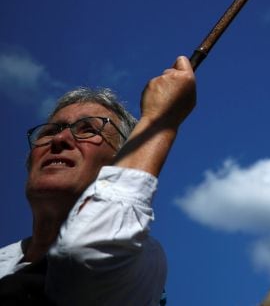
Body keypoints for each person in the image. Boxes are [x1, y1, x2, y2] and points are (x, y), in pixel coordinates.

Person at [0, 56, 197, 304]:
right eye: (49, 131)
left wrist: (160, 119)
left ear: (121, 163)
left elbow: (85, 253)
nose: (59, 139)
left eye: (89, 130)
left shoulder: (137, 259)